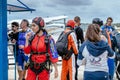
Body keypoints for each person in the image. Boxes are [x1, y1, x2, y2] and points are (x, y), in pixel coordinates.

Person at [74, 16, 84, 80]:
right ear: (79, 21)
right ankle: (75, 77)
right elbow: (82, 40)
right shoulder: (79, 29)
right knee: (75, 64)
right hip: (75, 47)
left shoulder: (70, 28)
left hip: (69, 49)